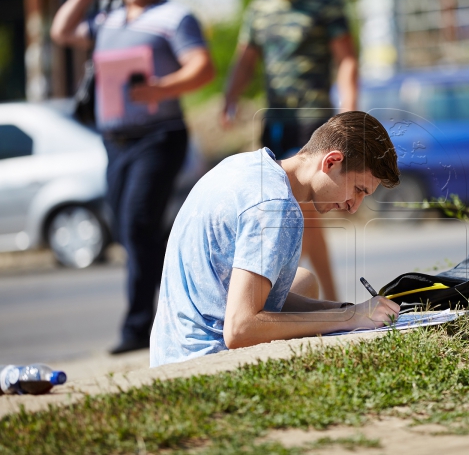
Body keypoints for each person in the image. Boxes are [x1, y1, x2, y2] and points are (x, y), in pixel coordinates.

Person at [149, 111, 401, 367]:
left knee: (304, 280)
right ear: (331, 162)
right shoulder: (277, 207)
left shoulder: (244, 165)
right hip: (203, 361)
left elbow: (240, 292)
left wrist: (346, 309)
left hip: (168, 352)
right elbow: (240, 329)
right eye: (358, 190)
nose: (354, 207)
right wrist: (350, 318)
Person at [50, 0, 215, 354]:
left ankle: (139, 327)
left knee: (138, 224)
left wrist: (160, 89)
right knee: (128, 232)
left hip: (159, 136)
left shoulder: (174, 17)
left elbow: (202, 68)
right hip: (115, 142)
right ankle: (196, 290)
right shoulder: (106, 19)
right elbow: (61, 31)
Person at [222, 0, 359, 302]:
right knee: (293, 209)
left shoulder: (324, 5)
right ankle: (319, 296)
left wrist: (349, 109)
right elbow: (245, 59)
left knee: (301, 209)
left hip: (313, 120)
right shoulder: (257, 10)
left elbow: (347, 59)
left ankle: (311, 296)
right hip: (276, 122)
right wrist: (229, 97)